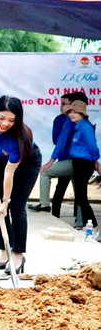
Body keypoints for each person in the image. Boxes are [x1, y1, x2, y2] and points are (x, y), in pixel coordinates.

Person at [0, 95, 41, 274]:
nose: (5, 124)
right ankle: (4, 251)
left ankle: (18, 254)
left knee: (16, 207)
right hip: (2, 158)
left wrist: (7, 200)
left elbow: (9, 172)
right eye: (2, 118)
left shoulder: (19, 139)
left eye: (11, 120)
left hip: (26, 163)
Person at [28, 92, 84, 225]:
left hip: (75, 161)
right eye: (61, 104)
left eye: (64, 104)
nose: (61, 106)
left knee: (80, 194)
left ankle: (78, 221)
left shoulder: (77, 122)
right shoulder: (63, 120)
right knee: (66, 191)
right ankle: (57, 215)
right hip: (68, 160)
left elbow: (88, 145)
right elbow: (58, 141)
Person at [65, 100, 100, 239]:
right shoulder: (77, 126)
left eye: (75, 112)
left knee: (81, 197)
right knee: (79, 197)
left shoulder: (85, 127)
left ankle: (95, 227)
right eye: (70, 113)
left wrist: (96, 163)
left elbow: (92, 147)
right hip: (77, 162)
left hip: (85, 163)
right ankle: (87, 226)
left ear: (82, 113)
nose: (72, 115)